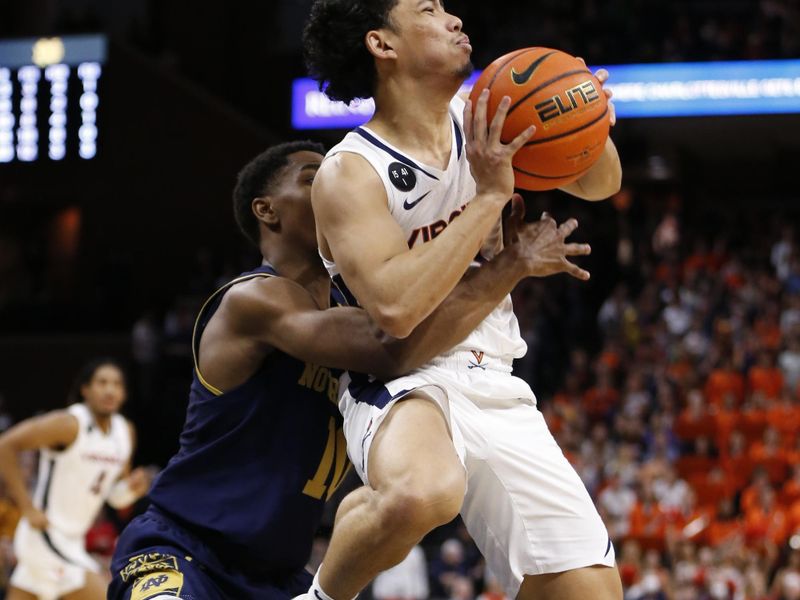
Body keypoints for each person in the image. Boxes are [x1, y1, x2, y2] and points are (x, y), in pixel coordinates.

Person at [107, 140, 593, 599]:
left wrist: (485, 244)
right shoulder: (255, 298)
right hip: (184, 548)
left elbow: (429, 328)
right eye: (312, 178)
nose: (330, 186)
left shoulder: (357, 306)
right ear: (266, 210)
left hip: (274, 577)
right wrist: (511, 264)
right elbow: (391, 349)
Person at [302, 1, 624, 598]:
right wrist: (487, 203)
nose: (454, 18)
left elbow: (602, 184)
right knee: (425, 490)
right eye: (429, 9)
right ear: (383, 44)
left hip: (495, 376)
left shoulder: (487, 118)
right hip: (402, 379)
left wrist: (588, 117)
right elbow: (396, 311)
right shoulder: (351, 172)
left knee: (589, 591)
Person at [0, 359, 150, 600]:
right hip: (45, 536)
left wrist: (132, 490)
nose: (110, 389)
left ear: (124, 394)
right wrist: (26, 507)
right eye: (102, 382)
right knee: (109, 595)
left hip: (73, 539)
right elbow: (6, 445)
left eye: (117, 384)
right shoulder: (68, 423)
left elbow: (115, 498)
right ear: (86, 390)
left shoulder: (125, 433)